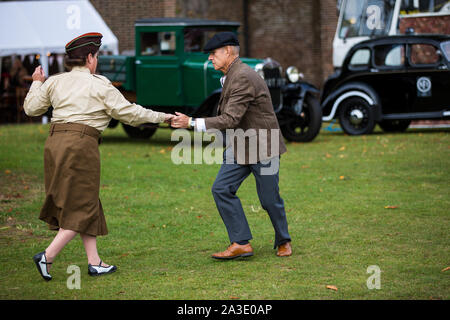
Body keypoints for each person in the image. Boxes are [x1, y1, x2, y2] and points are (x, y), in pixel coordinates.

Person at [24, 32, 174, 281]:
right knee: (81, 205)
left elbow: (31, 109)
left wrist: (36, 81)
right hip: (80, 145)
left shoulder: (54, 82)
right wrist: (164, 117)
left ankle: (95, 262)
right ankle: (47, 256)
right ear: (90, 58)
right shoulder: (99, 84)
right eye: (97, 56)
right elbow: (131, 114)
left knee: (86, 200)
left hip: (54, 143)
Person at [171, 32, 292, 259]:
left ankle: (284, 240)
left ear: (228, 51)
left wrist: (191, 122)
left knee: (268, 199)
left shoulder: (243, 76)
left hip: (263, 147)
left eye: (213, 54)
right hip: (240, 145)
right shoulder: (231, 75)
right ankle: (241, 243)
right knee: (221, 188)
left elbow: (230, 119)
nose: (209, 59)